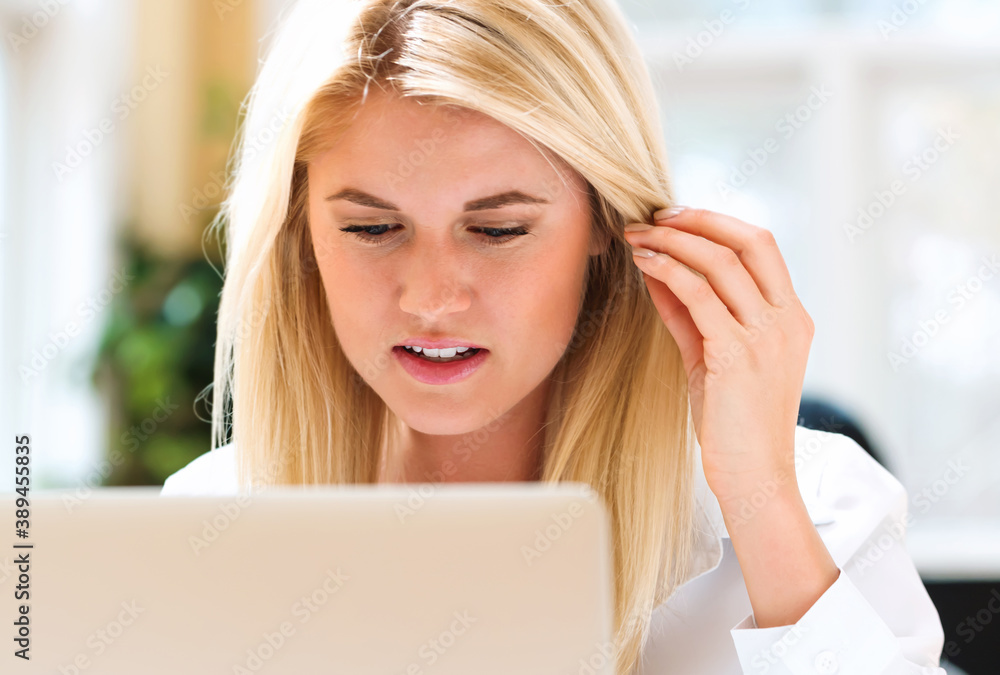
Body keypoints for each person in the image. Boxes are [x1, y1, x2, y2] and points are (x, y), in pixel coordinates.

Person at [161, 1, 947, 672]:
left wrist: (760, 497)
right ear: (300, 234)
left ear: (607, 221)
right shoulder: (209, 521)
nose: (432, 297)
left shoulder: (818, 507)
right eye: (372, 227)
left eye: (498, 229)